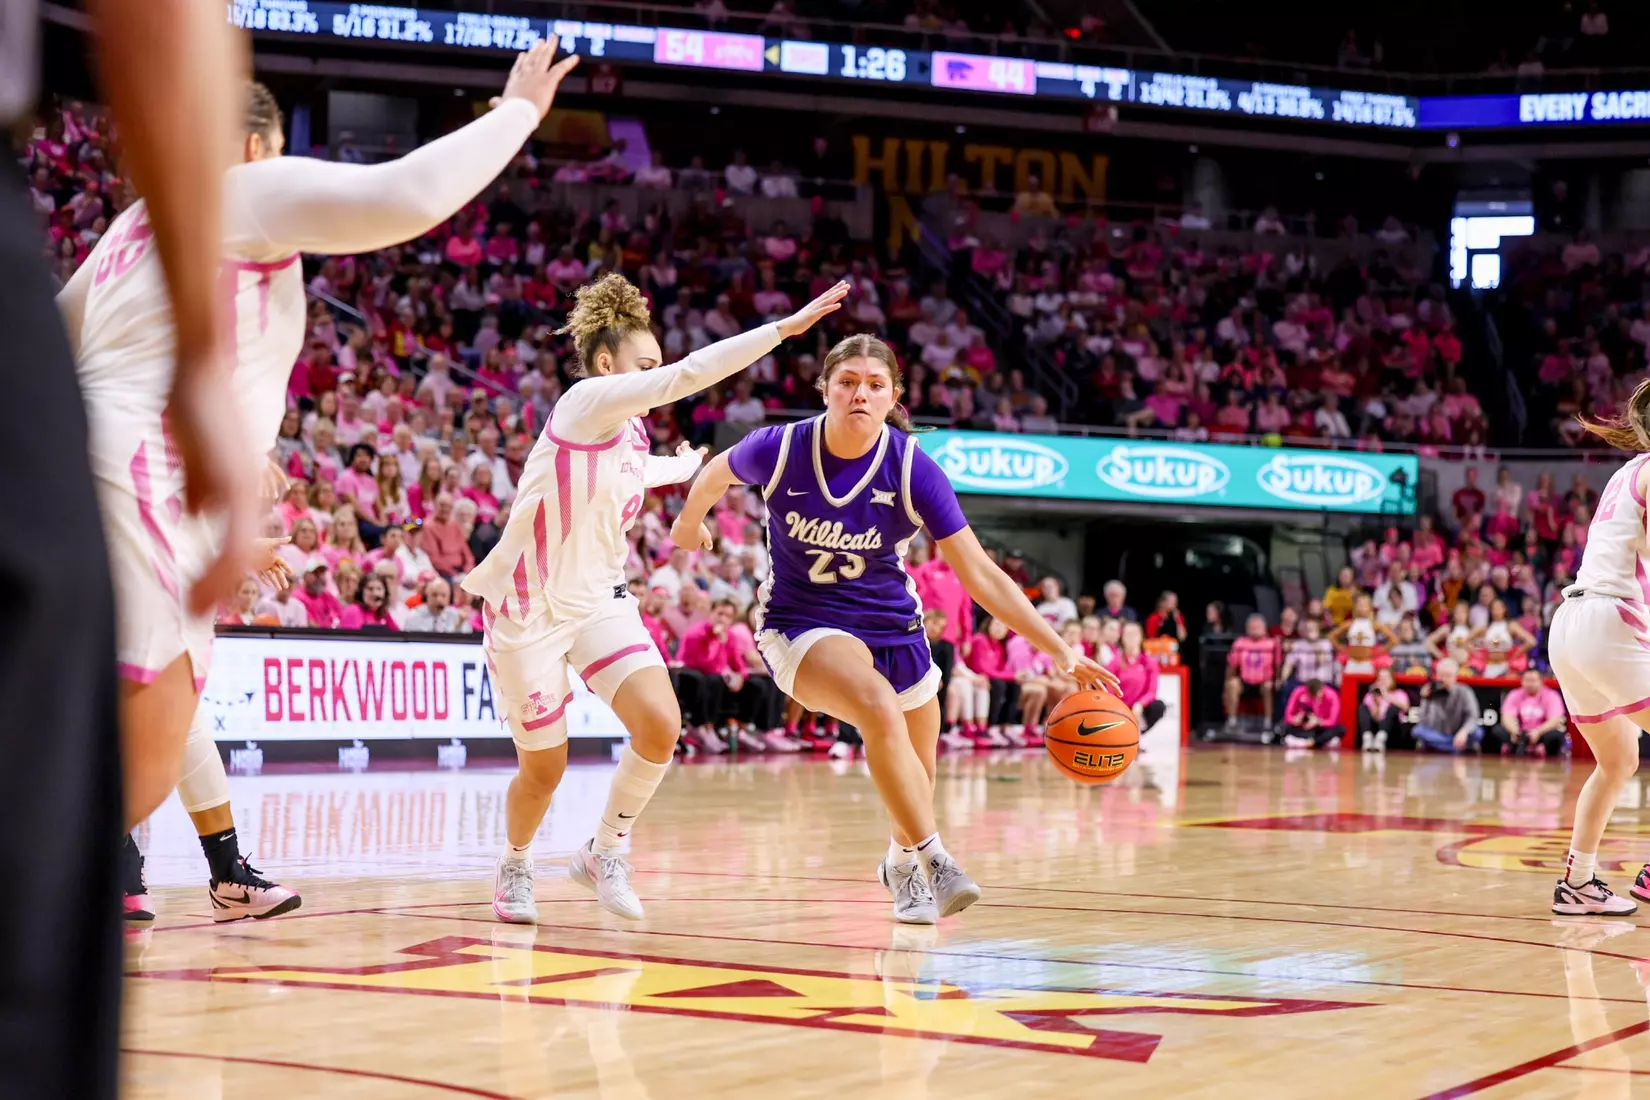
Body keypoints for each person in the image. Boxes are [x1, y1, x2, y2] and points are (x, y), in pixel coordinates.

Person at [66, 41, 584, 923]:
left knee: (153, 718)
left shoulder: (129, 229)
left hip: (115, 470)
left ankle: (169, 877)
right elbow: (406, 197)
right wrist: (518, 112)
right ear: (258, 147)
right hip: (139, 474)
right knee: (146, 738)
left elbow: (64, 350)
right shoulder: (234, 186)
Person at [3, 1, 247, 1091]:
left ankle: (203, 860)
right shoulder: (207, 213)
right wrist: (203, 361)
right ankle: (171, 862)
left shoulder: (102, 251)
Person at [671, 333, 1117, 925]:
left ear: (893, 397)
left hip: (893, 626)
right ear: (825, 389)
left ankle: (901, 863)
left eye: (875, 384)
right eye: (848, 381)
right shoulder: (780, 448)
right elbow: (714, 473)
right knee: (877, 708)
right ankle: (937, 860)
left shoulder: (913, 469)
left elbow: (981, 574)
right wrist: (687, 524)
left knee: (918, 762)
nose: (860, 393)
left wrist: (1061, 650)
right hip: (800, 622)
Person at [463, 272, 849, 924]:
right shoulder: (585, 402)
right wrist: (781, 331)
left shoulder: (634, 434)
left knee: (662, 724)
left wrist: (684, 464)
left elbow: (639, 469)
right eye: (645, 366)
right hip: (528, 608)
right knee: (545, 769)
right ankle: (516, 864)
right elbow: (687, 376)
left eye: (656, 367)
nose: (655, 377)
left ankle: (604, 850)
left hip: (599, 601)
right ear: (609, 364)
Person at [1547, 383, 1650, 915]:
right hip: (1608, 619)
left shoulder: (1626, 471)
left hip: (1570, 624)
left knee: (1617, 760)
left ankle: (1577, 883)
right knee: (1616, 761)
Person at [1410, 658, 1482, 754]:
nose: (1444, 679)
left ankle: (1444, 747)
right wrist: (1425, 700)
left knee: (1478, 733)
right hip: (1437, 734)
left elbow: (1473, 716)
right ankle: (1453, 748)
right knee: (1417, 731)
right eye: (1441, 675)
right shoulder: (1431, 690)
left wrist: (1464, 732)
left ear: (1455, 676)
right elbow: (1423, 721)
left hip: (1458, 733)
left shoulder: (1465, 691)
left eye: (1448, 675)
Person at [1496, 668, 1567, 757]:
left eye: (1533, 681)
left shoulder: (1552, 695)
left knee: (1555, 735)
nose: (1529, 684)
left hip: (1541, 732)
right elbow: (1507, 716)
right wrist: (1514, 731)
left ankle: (1543, 751)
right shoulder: (1514, 694)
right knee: (1498, 731)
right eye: (1526, 680)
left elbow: (1555, 719)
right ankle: (1510, 748)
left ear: (1541, 681)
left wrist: (1538, 732)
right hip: (1519, 732)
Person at [1280, 678, 1344, 750]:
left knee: (1339, 729)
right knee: (1284, 726)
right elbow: (1288, 715)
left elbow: (1333, 721)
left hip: (1320, 729)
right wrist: (1295, 719)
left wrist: (1319, 722)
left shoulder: (1332, 695)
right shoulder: (1298, 692)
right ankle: (1316, 742)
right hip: (1302, 728)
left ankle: (1312, 742)